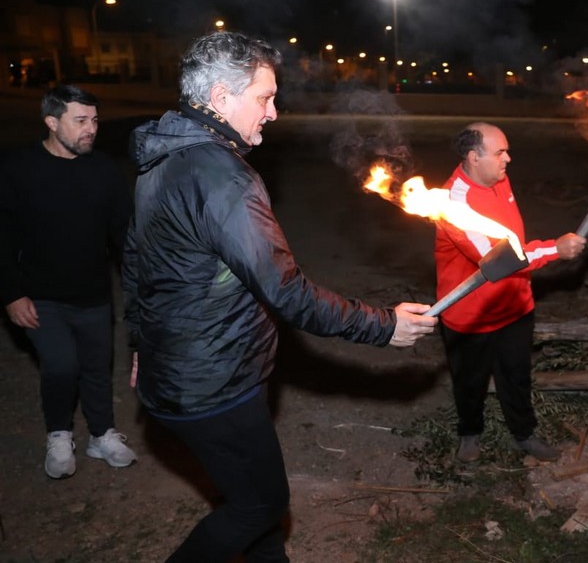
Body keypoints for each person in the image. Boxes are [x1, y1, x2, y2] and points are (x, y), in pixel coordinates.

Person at [120, 30, 437, 562]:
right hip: (215, 383)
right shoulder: (221, 177)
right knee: (261, 506)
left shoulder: (163, 162)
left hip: (183, 371)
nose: (273, 112)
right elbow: (286, 291)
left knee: (253, 504)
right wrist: (383, 326)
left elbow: (137, 264)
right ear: (220, 99)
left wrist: (141, 346)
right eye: (264, 98)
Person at [0, 84, 137, 480]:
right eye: (80, 121)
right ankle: (59, 434)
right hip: (40, 295)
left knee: (97, 367)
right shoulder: (19, 168)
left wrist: (143, 280)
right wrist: (11, 294)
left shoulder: (104, 170)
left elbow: (123, 235)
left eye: (94, 120)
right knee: (61, 365)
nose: (91, 129)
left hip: (93, 294)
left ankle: (101, 434)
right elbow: (2, 236)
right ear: (51, 122)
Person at [435, 122, 586, 463]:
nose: (509, 159)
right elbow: (500, 259)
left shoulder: (499, 179)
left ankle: (524, 433)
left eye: (507, 150)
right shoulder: (453, 204)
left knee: (516, 374)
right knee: (469, 380)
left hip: (515, 304)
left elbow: (514, 238)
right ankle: (470, 433)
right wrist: (554, 250)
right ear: (474, 157)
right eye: (500, 152)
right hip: (470, 314)